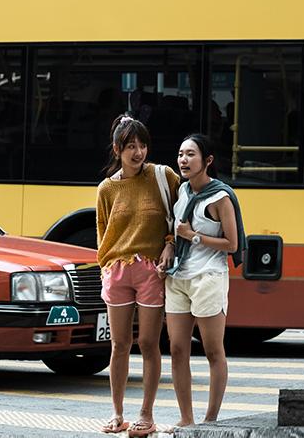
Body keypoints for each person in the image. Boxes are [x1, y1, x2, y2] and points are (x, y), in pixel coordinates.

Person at [96, 115, 178, 437]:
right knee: (119, 344)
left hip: (150, 270)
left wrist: (170, 244)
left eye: (142, 145)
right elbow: (104, 232)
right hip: (116, 272)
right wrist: (106, 267)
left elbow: (178, 214)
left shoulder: (162, 176)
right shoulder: (106, 188)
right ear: (117, 149)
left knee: (148, 343)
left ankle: (146, 413)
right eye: (131, 146)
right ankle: (117, 414)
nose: (138, 152)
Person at [164, 133, 240, 426]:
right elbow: (174, 229)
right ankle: (186, 419)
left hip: (208, 276)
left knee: (212, 350)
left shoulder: (220, 197)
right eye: (181, 154)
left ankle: (210, 420)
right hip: (178, 277)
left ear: (207, 160)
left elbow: (232, 244)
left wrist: (192, 236)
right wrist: (170, 245)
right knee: (177, 349)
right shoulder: (182, 191)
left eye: (191, 154)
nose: (184, 159)